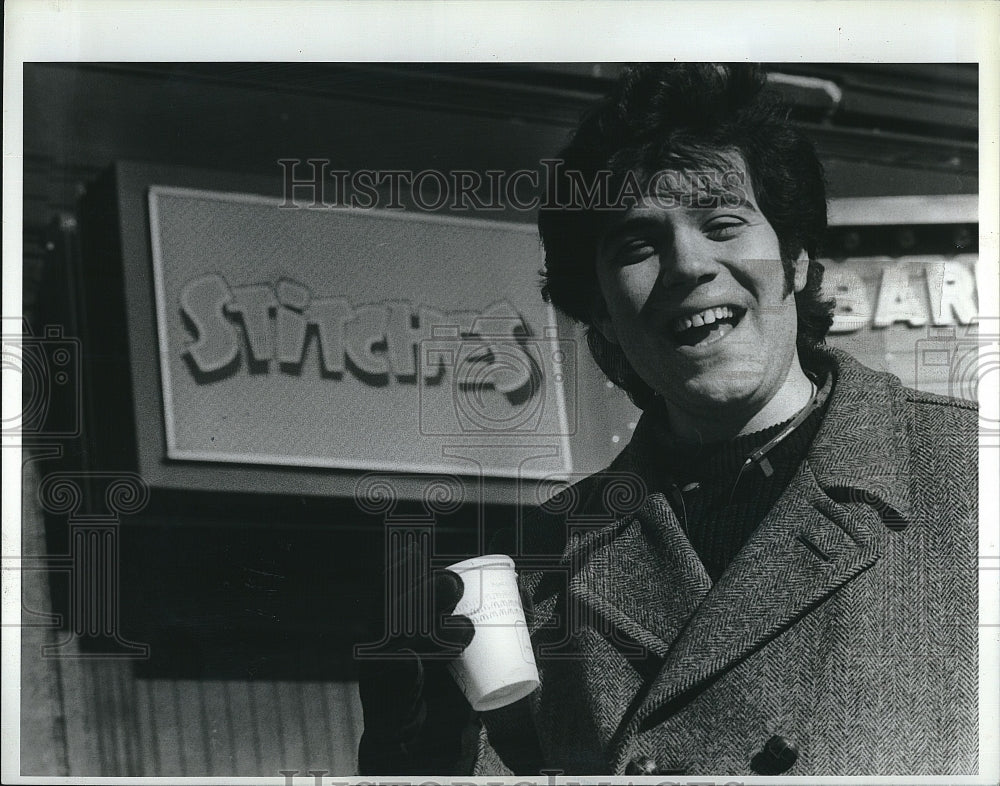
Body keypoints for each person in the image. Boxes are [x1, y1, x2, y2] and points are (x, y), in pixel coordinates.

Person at [356, 63, 978, 776]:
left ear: (797, 259)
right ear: (603, 321)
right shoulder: (541, 562)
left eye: (722, 223)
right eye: (637, 245)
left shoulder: (968, 471)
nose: (688, 264)